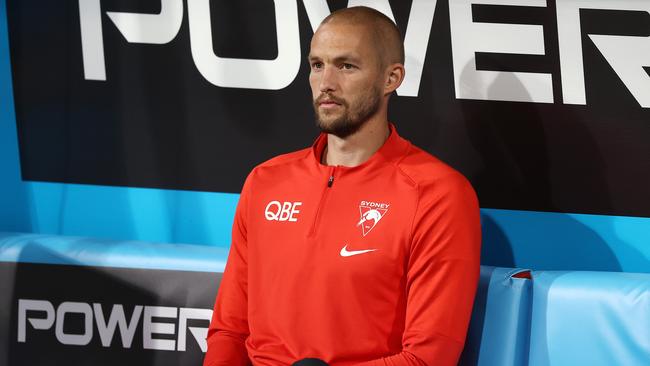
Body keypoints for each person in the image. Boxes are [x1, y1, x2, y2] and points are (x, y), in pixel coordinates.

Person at [203, 6, 481, 366]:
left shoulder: (437, 194)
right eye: (317, 65)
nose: (326, 82)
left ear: (391, 78)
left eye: (346, 66)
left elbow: (428, 358)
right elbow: (229, 330)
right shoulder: (265, 182)